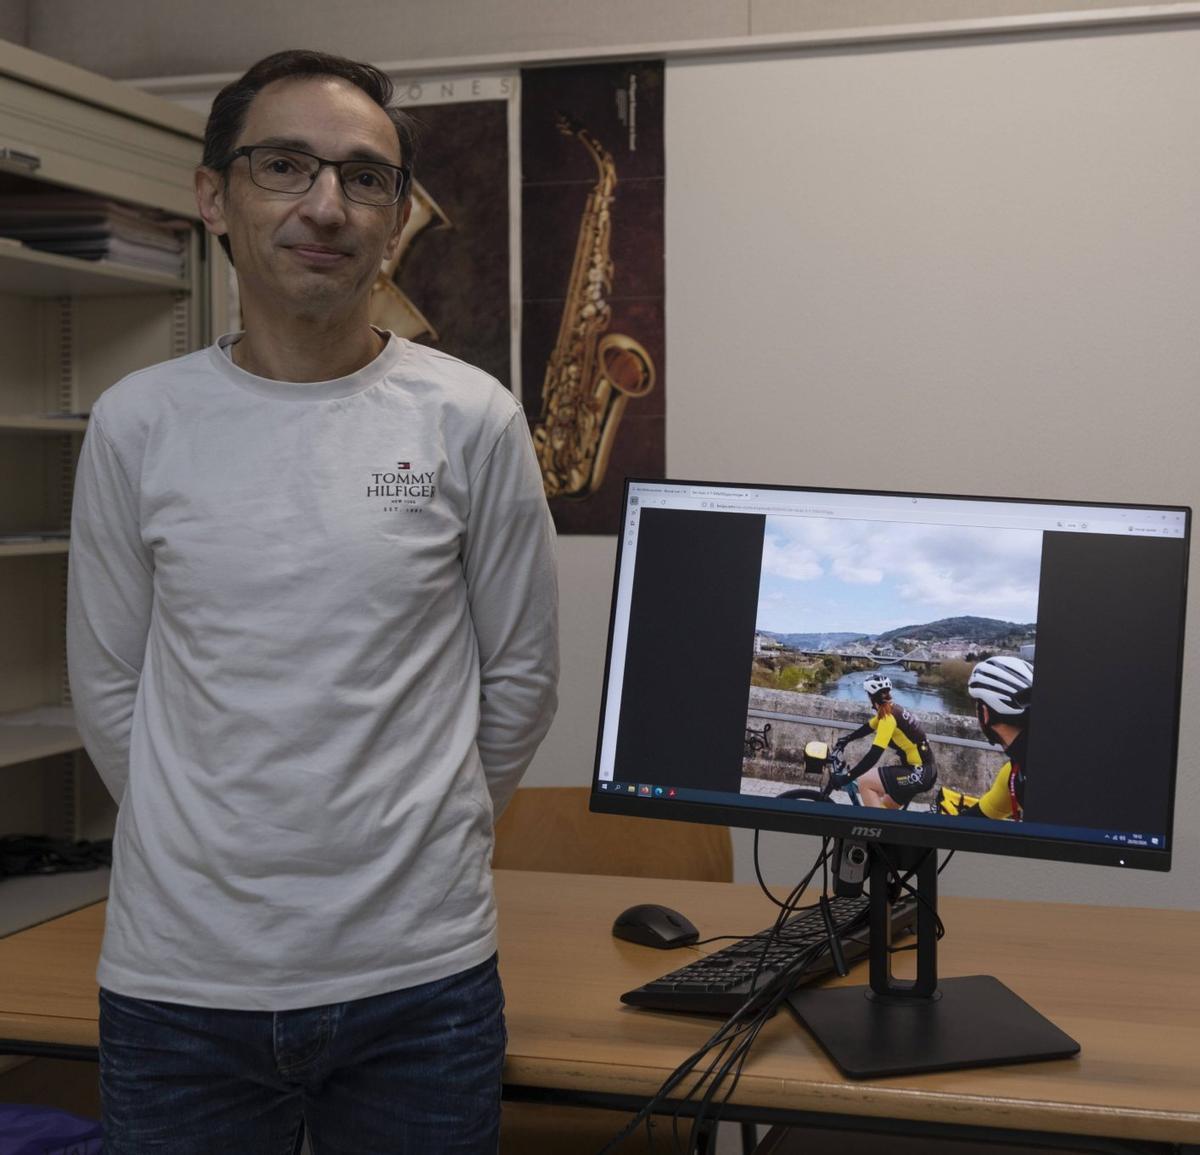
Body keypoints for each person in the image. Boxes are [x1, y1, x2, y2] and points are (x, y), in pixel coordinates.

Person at [66, 49, 559, 1155]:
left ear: (393, 220)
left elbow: (521, 678)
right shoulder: (139, 422)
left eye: (364, 177)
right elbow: (108, 682)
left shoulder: (470, 417)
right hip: (180, 986)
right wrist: (205, 848)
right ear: (214, 198)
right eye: (285, 165)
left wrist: (421, 842)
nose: (326, 205)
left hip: (420, 984)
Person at [833, 674, 937, 808]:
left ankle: (872, 822)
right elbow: (869, 727)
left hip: (918, 773)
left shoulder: (888, 718)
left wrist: (847, 777)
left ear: (871, 696)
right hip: (925, 770)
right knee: (885, 808)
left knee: (864, 782)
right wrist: (847, 739)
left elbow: (873, 756)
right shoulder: (891, 709)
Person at [960, 655, 1034, 820]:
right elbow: (984, 813)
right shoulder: (1016, 772)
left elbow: (971, 822)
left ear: (985, 713)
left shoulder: (1015, 776)